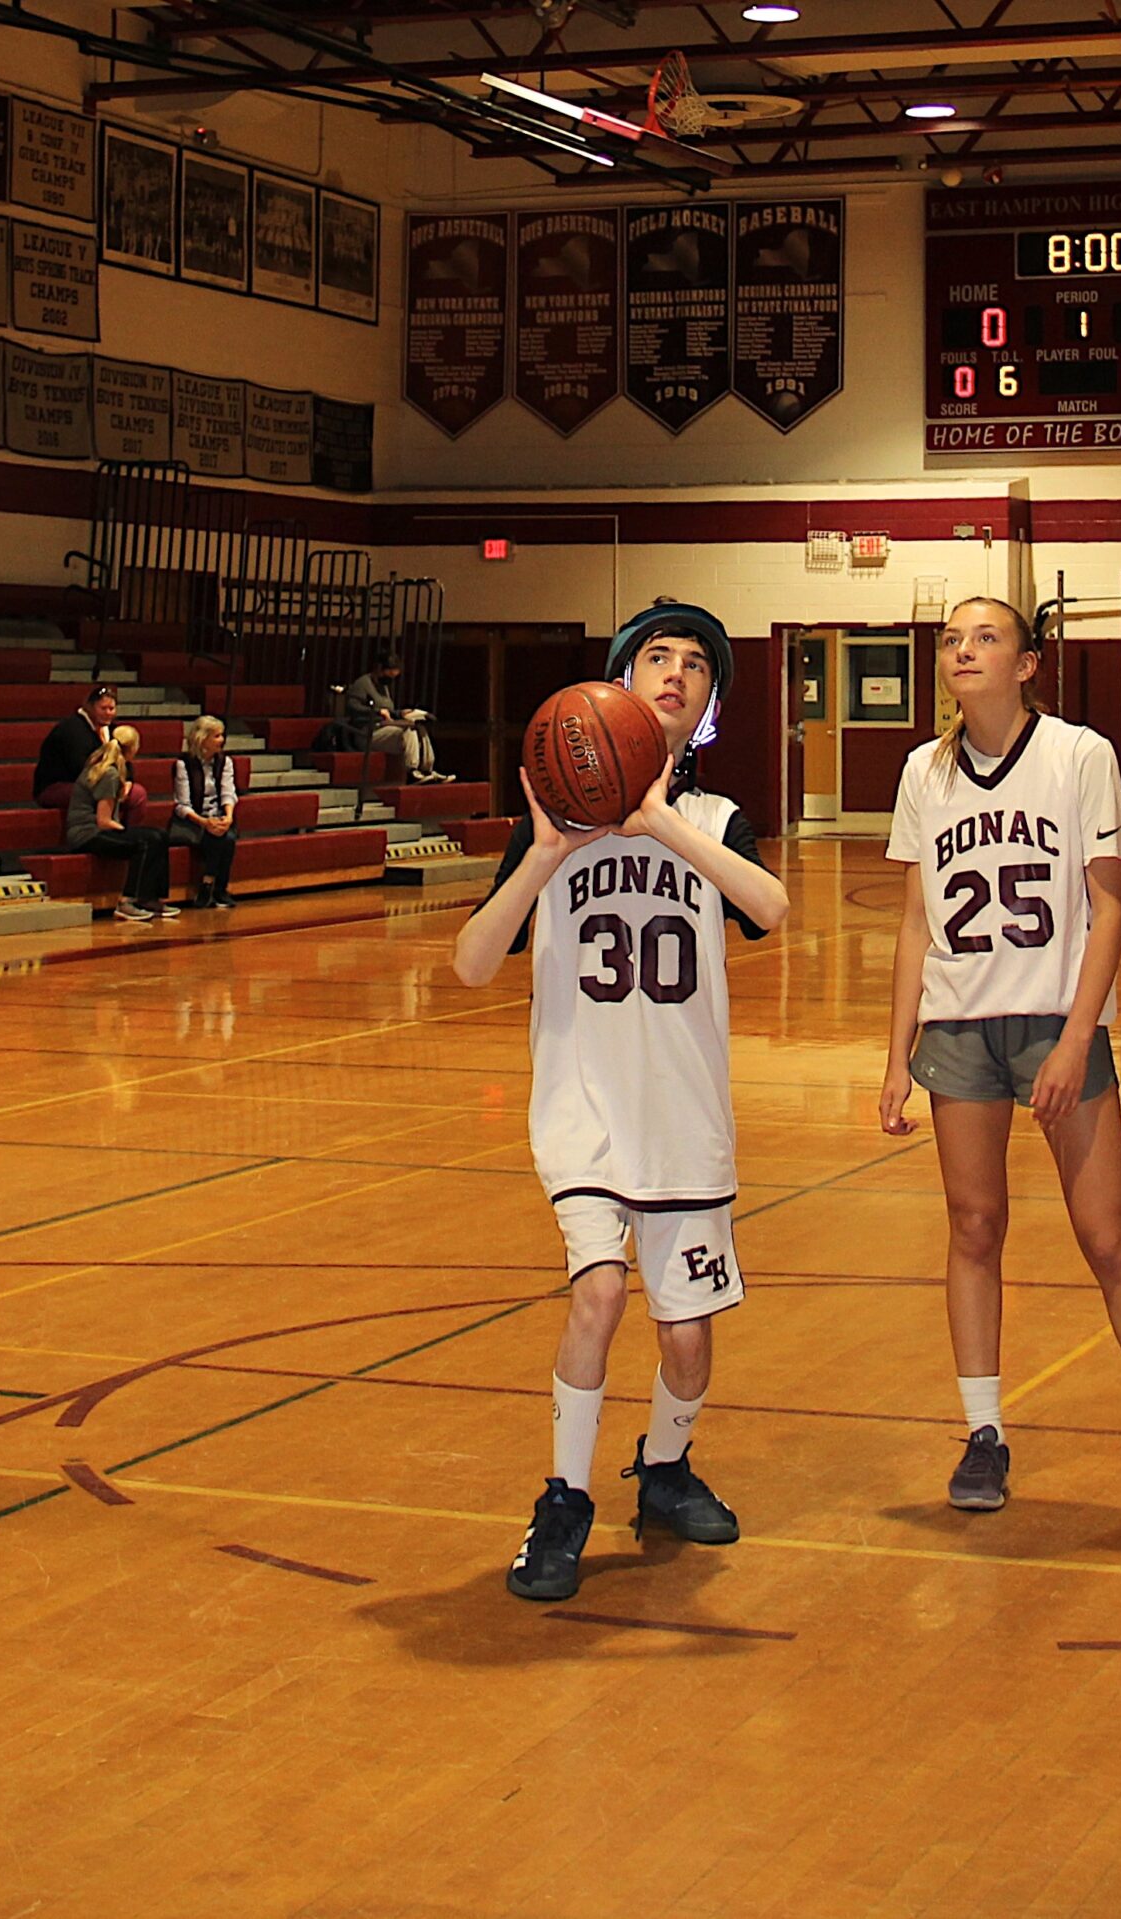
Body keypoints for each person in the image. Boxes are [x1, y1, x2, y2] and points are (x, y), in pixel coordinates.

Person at [452, 605, 789, 1603]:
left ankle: (667, 1464)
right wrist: (550, 851)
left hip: (682, 1110)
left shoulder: (718, 822)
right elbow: (471, 964)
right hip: (582, 1105)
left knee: (686, 1336)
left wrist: (657, 823)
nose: (677, 674)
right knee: (598, 1293)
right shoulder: (546, 820)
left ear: (707, 704)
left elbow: (771, 908)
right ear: (612, 684)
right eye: (658, 657)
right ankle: (562, 1495)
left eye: (695, 665)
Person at [880, 597, 1121, 1527]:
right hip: (957, 1029)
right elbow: (916, 922)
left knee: (1108, 1234)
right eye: (951, 639)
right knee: (974, 1226)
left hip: (1055, 1024)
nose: (963, 650)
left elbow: (1109, 909)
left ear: (1028, 665)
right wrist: (895, 1052)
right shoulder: (923, 769)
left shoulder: (1080, 755)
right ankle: (984, 1431)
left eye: (985, 637)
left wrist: (1078, 1035)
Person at [66, 725, 173, 923]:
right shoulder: (109, 774)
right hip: (88, 834)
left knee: (160, 835)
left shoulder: (110, 770)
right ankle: (127, 901)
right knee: (146, 842)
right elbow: (104, 821)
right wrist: (126, 831)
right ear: (132, 749)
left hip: (97, 830)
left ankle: (151, 898)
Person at [33, 684, 140, 823]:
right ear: (90, 707)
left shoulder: (112, 729)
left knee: (137, 795)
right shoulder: (71, 729)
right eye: (103, 708)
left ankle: (128, 838)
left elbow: (125, 759)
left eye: (111, 708)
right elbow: (81, 769)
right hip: (60, 785)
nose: (108, 713)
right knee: (100, 796)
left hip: (101, 783)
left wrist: (127, 782)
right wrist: (113, 785)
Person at [346, 653, 452, 784]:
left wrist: (400, 713)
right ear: (380, 669)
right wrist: (378, 711)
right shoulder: (362, 684)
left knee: (419, 728)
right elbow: (353, 707)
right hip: (368, 731)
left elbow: (389, 711)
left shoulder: (383, 687)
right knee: (408, 731)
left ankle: (427, 769)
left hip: (386, 727)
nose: (390, 680)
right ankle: (412, 770)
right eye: (389, 675)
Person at [170, 715, 240, 910]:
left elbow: (229, 793)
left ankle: (211, 886)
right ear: (203, 739)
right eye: (217, 736)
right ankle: (214, 886)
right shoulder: (183, 764)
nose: (222, 740)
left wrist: (228, 816)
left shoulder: (225, 762)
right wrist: (204, 822)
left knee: (227, 835)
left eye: (222, 735)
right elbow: (182, 805)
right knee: (219, 837)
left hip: (218, 815)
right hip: (193, 819)